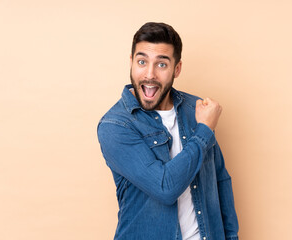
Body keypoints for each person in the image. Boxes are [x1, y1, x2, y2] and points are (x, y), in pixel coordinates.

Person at [97, 22, 239, 240]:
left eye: (161, 64)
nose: (149, 74)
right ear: (131, 62)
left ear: (177, 68)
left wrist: (232, 236)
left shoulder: (196, 110)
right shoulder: (115, 126)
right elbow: (165, 187)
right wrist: (204, 131)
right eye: (142, 62)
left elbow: (220, 180)